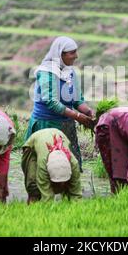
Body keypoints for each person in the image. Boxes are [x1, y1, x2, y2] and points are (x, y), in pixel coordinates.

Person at [25, 36, 95, 171]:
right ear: (60, 54)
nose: (76, 56)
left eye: (76, 51)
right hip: (46, 125)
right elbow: (51, 102)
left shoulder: (70, 72)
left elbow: (76, 100)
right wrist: (79, 117)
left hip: (66, 125)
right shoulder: (47, 72)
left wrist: (89, 113)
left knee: (68, 168)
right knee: (47, 167)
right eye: (72, 52)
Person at [22, 128, 82, 203]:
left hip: (59, 134)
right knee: (33, 185)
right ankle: (32, 206)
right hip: (33, 144)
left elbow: (76, 194)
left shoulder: (74, 165)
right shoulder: (43, 165)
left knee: (69, 188)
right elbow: (47, 197)